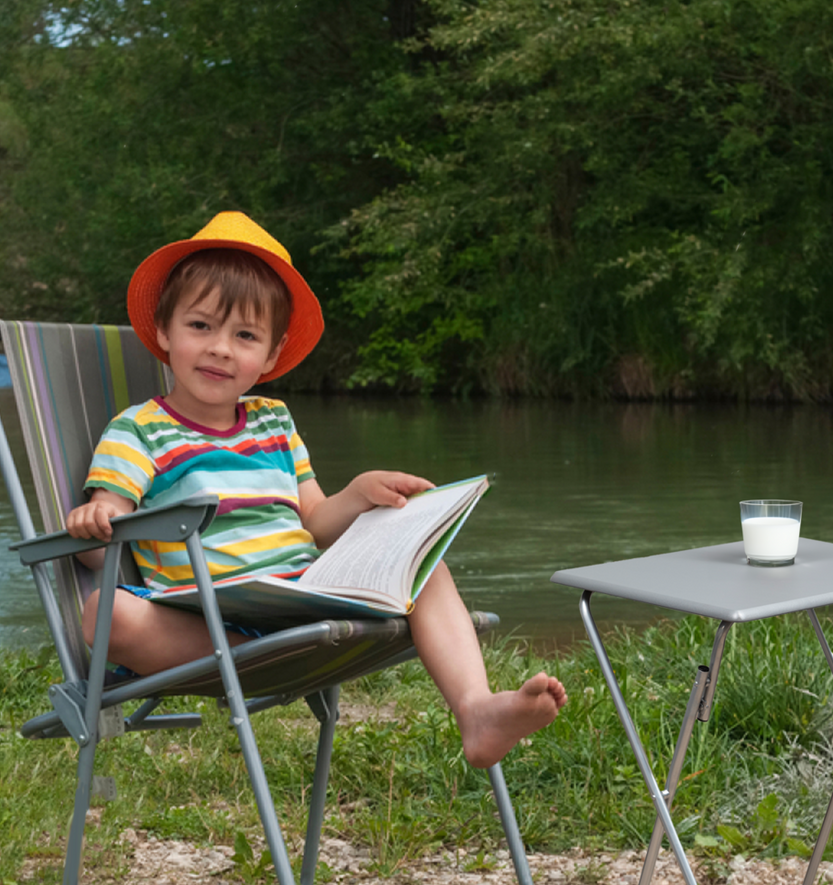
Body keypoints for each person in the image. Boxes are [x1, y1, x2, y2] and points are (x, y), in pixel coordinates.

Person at [65, 211, 566, 769]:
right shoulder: (138, 431)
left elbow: (316, 521)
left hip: (301, 596)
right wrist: (95, 522)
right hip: (205, 614)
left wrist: (359, 493)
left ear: (271, 355)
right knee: (105, 613)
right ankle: (258, 659)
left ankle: (476, 709)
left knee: (424, 562)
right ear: (164, 330)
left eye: (245, 336)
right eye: (200, 326)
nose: (221, 348)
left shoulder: (273, 422)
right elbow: (107, 527)